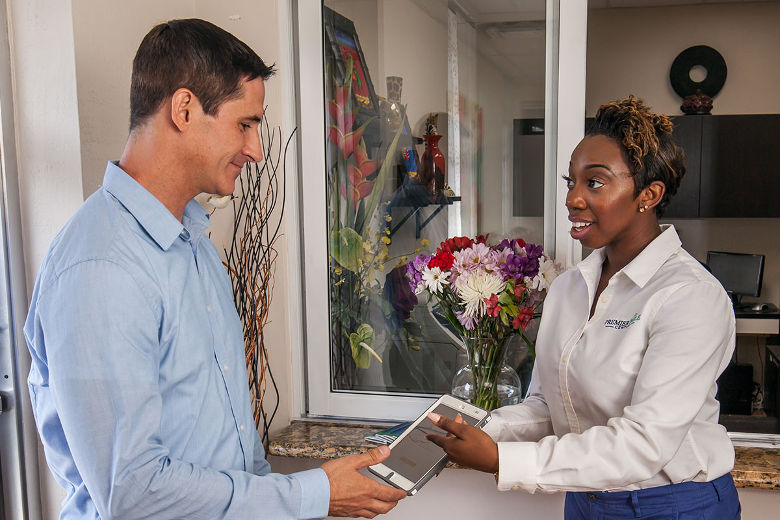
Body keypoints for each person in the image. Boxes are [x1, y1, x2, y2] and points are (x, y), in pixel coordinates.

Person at [24, 18, 405, 520]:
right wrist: (312, 496)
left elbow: (234, 447)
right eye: (244, 124)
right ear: (184, 110)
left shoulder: (196, 242)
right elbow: (134, 492)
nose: (256, 149)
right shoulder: (101, 268)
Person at [427, 96, 741, 519]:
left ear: (649, 194)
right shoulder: (568, 289)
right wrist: (474, 429)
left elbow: (643, 443)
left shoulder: (690, 297)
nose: (573, 199)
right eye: (570, 182)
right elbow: (546, 407)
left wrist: (504, 461)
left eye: (594, 182)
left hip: (672, 505)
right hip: (585, 501)